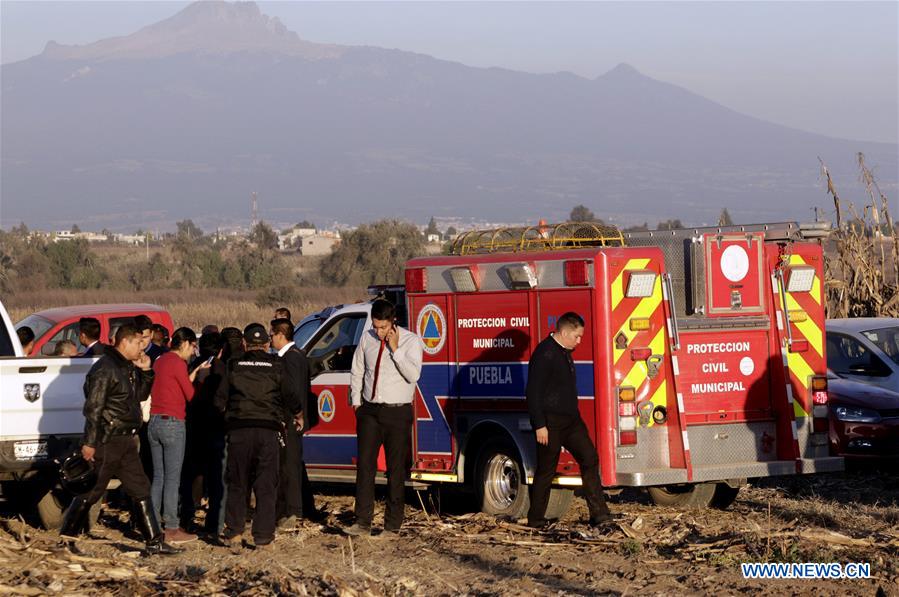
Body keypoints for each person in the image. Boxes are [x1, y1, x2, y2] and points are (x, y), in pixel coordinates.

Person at [58, 323, 180, 555]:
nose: (142, 348)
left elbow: (139, 397)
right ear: (124, 342)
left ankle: (154, 542)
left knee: (140, 488)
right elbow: (94, 408)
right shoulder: (106, 368)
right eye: (137, 343)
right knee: (91, 492)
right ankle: (65, 541)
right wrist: (90, 442)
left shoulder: (127, 366)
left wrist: (146, 372)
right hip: (107, 439)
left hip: (126, 441)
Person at [215, 324, 301, 548]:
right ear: (265, 344)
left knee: (237, 482)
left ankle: (234, 532)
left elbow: (219, 399)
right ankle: (262, 536)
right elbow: (290, 395)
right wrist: (298, 413)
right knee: (265, 484)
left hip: (239, 430)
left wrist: (226, 418)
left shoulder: (233, 365)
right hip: (268, 431)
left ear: (244, 343)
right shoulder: (277, 365)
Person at [526, 312, 613, 529]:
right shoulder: (544, 354)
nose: (579, 341)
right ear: (564, 332)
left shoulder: (565, 351)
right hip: (550, 423)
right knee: (546, 471)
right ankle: (536, 519)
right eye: (576, 336)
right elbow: (533, 392)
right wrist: (539, 425)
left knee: (590, 458)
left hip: (571, 421)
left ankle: (599, 514)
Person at [344, 299, 423, 537]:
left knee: (395, 469)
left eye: (383, 327)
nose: (379, 332)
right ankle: (363, 521)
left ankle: (392, 525)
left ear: (393, 321)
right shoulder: (367, 338)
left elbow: (413, 375)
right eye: (376, 326)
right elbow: (357, 370)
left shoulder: (410, 341)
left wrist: (396, 349)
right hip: (369, 410)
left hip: (397, 412)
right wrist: (357, 402)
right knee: (365, 466)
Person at [147, 327, 210, 544]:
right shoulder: (178, 363)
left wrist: (190, 375)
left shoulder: (161, 360)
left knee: (159, 476)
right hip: (173, 424)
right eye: (193, 347)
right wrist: (201, 378)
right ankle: (172, 528)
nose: (193, 352)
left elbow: (174, 384)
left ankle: (152, 524)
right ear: (185, 343)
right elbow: (190, 395)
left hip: (155, 422)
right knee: (173, 478)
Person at [270, 318, 317, 531]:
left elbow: (292, 392)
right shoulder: (297, 355)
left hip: (289, 420)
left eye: (272, 335)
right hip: (293, 419)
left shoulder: (290, 359)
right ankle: (303, 507)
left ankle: (293, 511)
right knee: (294, 464)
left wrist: (292, 416)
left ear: (280, 335)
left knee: (290, 466)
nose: (270, 339)